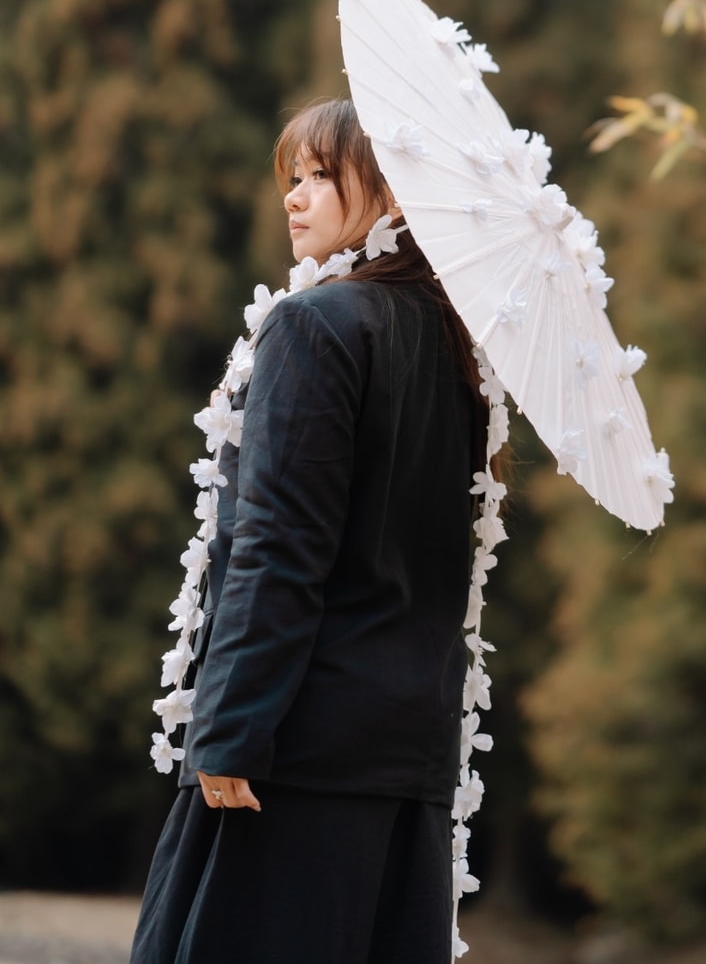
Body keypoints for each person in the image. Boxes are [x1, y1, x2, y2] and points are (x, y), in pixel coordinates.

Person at [131, 98, 484, 964]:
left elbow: (279, 543)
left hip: (294, 752)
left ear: (394, 193)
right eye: (295, 177)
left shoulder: (314, 325)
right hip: (407, 755)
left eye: (323, 176)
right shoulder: (460, 354)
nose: (294, 197)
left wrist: (229, 726)